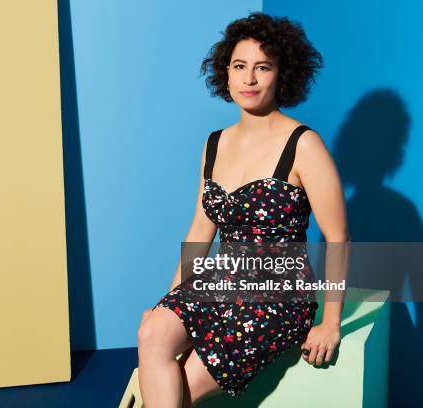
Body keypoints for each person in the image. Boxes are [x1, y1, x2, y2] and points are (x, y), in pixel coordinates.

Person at [137, 12, 349, 407]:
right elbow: (200, 232)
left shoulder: (304, 145)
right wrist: (170, 305)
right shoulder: (214, 143)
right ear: (226, 72)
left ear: (281, 74)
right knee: (152, 332)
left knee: (178, 388)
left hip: (278, 293)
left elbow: (338, 237)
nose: (248, 79)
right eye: (239, 66)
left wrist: (330, 323)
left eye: (262, 68)